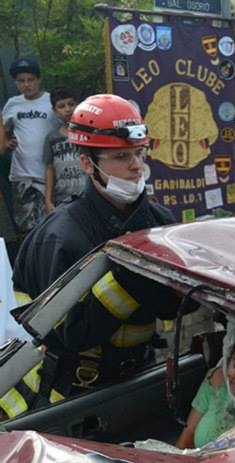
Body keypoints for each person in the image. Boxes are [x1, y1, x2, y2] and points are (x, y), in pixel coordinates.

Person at [0, 94, 181, 417]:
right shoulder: (58, 237)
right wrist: (131, 274)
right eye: (121, 156)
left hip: (139, 380)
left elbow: (178, 306)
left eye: (139, 153)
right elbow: (70, 335)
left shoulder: (160, 222)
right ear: (87, 163)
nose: (136, 166)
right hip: (71, 393)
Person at [0, 57, 58, 234]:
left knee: (51, 222)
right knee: (25, 225)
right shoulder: (12, 104)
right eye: (21, 81)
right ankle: (29, 260)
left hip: (48, 173)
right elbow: (4, 130)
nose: (26, 84)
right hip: (21, 174)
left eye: (30, 80)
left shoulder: (51, 102)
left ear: (38, 79)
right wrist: (7, 143)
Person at [43, 86, 84, 213]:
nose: (67, 109)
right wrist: (48, 200)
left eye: (71, 104)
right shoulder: (52, 138)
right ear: (54, 110)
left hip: (88, 193)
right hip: (63, 197)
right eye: (61, 106)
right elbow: (49, 168)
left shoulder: (88, 133)